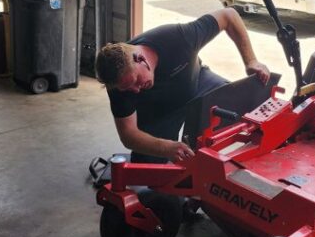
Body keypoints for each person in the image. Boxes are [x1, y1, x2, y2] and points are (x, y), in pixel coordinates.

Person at [95, 9, 270, 165]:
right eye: (128, 88)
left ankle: (203, 155)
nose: (135, 90)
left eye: (135, 80)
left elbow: (228, 15)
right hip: (158, 112)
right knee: (151, 176)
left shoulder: (178, 38)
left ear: (140, 59)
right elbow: (129, 135)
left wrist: (251, 61)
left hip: (195, 83)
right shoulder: (119, 85)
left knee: (236, 101)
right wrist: (166, 148)